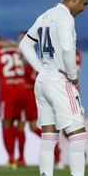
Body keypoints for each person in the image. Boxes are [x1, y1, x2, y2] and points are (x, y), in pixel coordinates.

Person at [19, 0, 88, 176]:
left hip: (43, 81)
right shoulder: (66, 17)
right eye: (84, 3)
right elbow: (68, 48)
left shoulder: (46, 15)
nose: (84, 9)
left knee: (49, 137)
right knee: (78, 135)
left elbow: (24, 46)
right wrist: (72, 74)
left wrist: (40, 69)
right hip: (59, 80)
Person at [17, 31, 63, 168]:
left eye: (21, 38)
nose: (19, 41)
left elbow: (35, 76)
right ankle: (55, 150)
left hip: (28, 95)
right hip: (26, 94)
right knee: (31, 127)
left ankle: (21, 158)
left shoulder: (28, 57)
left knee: (23, 126)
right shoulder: (24, 56)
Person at [0, 35, 26, 168]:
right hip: (22, 88)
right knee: (20, 124)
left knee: (6, 124)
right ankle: (21, 159)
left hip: (8, 91)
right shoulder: (16, 48)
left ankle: (11, 159)